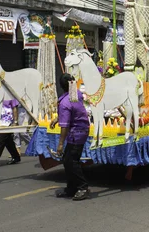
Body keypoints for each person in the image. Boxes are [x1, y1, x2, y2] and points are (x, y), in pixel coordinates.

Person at [53, 73, 91, 201]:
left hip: (77, 133)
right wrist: (57, 118)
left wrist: (60, 144)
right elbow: (72, 111)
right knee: (67, 160)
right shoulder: (77, 95)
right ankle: (71, 188)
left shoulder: (64, 103)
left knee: (72, 161)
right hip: (82, 130)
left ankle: (83, 187)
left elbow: (65, 125)